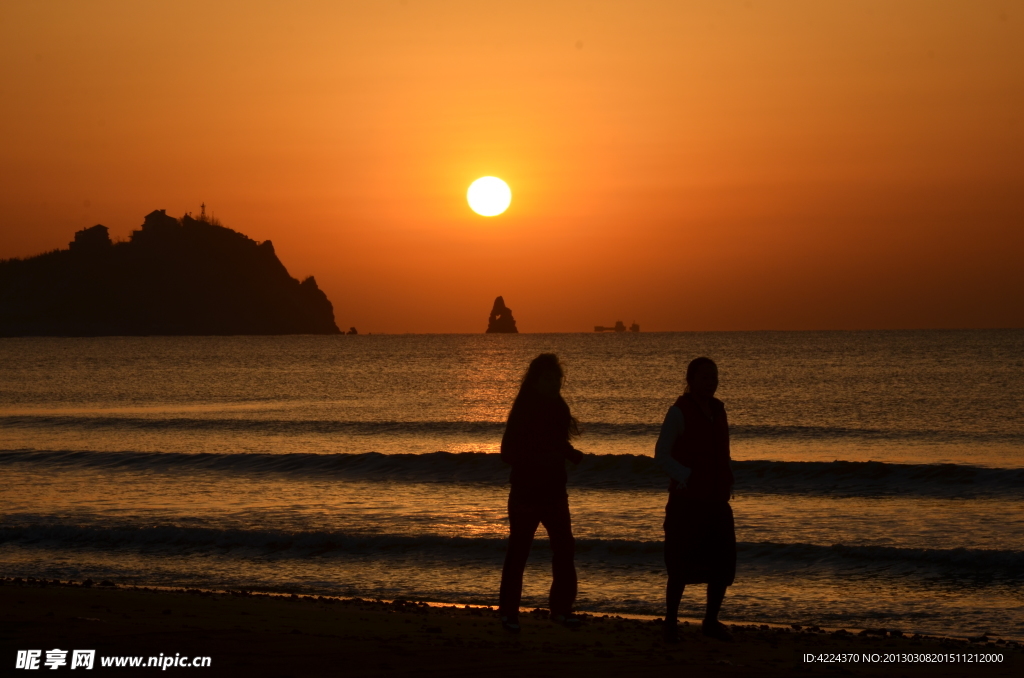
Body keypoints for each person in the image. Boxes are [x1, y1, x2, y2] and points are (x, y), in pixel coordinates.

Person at [497, 353, 584, 633]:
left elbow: (556, 442)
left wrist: (570, 453)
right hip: (526, 492)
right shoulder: (523, 409)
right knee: (519, 552)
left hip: (555, 491)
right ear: (535, 381)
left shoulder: (559, 407)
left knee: (564, 549)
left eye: (557, 379)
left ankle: (561, 609)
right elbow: (507, 453)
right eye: (548, 379)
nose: (554, 384)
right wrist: (540, 457)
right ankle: (508, 613)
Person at [654, 356, 736, 643]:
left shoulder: (718, 411)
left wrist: (727, 475)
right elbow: (661, 454)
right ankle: (671, 623)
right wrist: (685, 475)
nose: (710, 382)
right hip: (686, 503)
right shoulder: (678, 412)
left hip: (716, 499)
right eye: (704, 377)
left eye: (714, 377)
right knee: (679, 564)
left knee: (722, 563)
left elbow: (721, 452)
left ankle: (710, 621)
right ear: (690, 380)